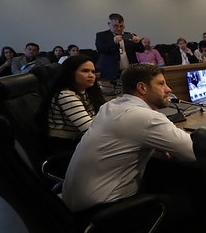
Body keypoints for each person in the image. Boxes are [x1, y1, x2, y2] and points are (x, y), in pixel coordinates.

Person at [62, 64, 195, 213]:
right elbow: (192, 152)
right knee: (186, 201)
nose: (168, 89)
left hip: (72, 203)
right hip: (103, 209)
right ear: (142, 88)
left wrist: (156, 145)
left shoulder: (110, 106)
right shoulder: (146, 117)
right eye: (161, 83)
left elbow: (126, 136)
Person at [45, 55, 106, 152]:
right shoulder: (66, 95)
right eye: (85, 71)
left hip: (81, 141)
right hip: (67, 146)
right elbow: (90, 130)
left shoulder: (85, 91)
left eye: (93, 72)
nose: (91, 75)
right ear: (70, 73)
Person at [95, 13, 142, 81]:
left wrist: (138, 42)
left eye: (121, 26)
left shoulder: (129, 35)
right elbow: (100, 49)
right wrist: (113, 42)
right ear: (109, 24)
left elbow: (141, 50)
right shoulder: (102, 35)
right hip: (111, 72)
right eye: (116, 26)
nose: (119, 28)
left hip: (130, 71)